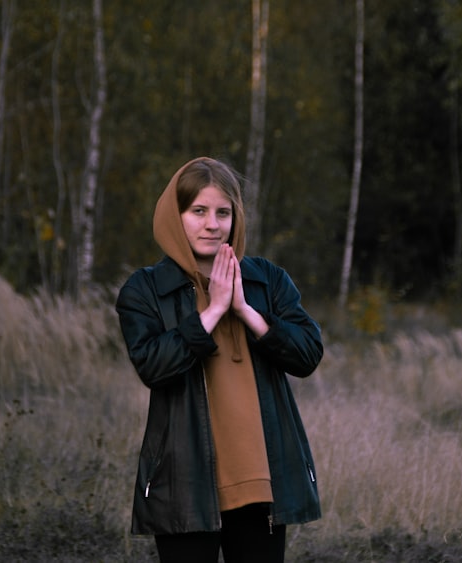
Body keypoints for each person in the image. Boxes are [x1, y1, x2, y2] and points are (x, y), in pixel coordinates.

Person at [115, 157, 324, 563]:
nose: (212, 224)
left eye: (223, 212)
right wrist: (211, 313)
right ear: (175, 216)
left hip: (262, 486)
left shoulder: (267, 279)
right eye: (199, 211)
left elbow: (307, 354)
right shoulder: (145, 290)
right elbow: (153, 366)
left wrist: (246, 310)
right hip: (184, 487)